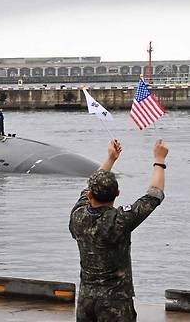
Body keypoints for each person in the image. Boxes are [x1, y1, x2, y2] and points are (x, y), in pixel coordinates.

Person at [70, 138, 168, 322]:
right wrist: (159, 160)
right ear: (117, 194)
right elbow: (154, 195)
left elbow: (88, 188)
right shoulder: (120, 220)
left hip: (86, 301)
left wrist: (110, 159)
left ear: (90, 194)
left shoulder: (78, 216)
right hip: (116, 303)